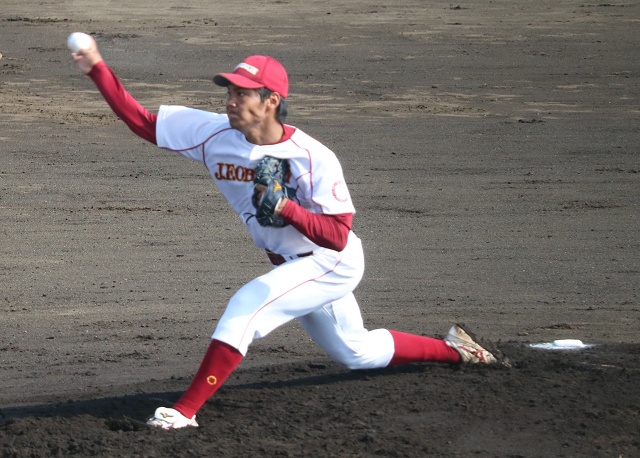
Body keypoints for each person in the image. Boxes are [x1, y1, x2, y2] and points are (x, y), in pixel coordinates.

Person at [70, 36, 503, 430]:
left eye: (242, 93)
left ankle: (183, 412)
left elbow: (336, 235)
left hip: (329, 262)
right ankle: (458, 349)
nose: (231, 100)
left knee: (247, 306)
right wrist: (96, 67)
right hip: (290, 264)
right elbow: (143, 122)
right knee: (356, 352)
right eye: (229, 91)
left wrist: (285, 207)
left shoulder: (312, 157)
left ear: (272, 100)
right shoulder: (213, 134)